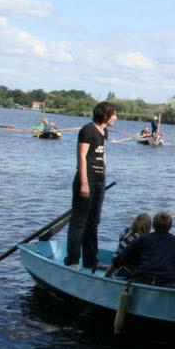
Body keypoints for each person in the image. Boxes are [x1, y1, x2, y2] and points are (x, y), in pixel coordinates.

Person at [65, 101, 118, 268]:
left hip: (100, 180)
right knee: (79, 221)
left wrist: (104, 174)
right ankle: (72, 260)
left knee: (93, 222)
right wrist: (84, 183)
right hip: (86, 179)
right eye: (114, 114)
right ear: (105, 115)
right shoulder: (87, 130)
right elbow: (81, 157)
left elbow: (103, 155)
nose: (116, 118)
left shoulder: (104, 132)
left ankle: (91, 261)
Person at [105, 212, 175, 286]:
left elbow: (122, 258)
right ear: (170, 226)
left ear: (153, 225)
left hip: (143, 279)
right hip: (166, 281)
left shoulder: (144, 238)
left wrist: (108, 272)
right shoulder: (174, 241)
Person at [112, 213, 152, 277]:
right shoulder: (144, 239)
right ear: (148, 227)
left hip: (118, 264)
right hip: (126, 269)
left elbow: (117, 257)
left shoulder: (126, 233)